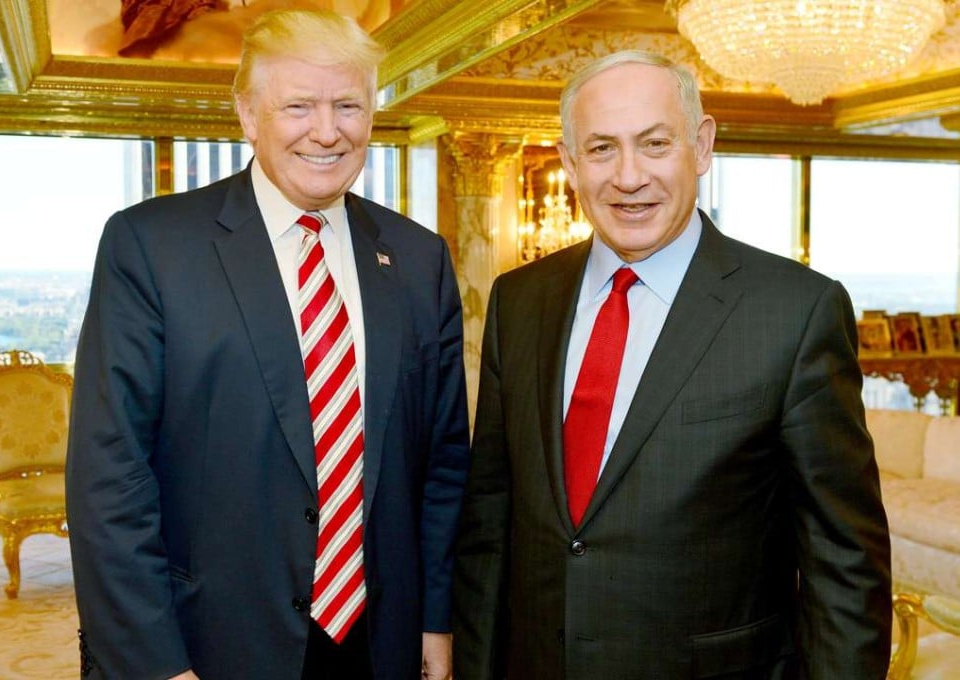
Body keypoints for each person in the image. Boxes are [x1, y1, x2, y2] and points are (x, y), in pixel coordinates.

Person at [452, 50, 892, 679]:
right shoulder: (520, 300)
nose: (629, 177)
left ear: (702, 145)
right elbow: (489, 526)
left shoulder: (796, 311)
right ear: (571, 162)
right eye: (602, 149)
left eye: (655, 144)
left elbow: (842, 562)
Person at [66, 9, 469, 680]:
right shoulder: (152, 247)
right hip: (208, 644)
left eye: (348, 105)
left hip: (379, 640)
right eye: (299, 106)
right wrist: (155, 663)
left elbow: (443, 462)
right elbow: (110, 478)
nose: (327, 130)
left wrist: (435, 616)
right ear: (249, 114)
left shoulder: (419, 258)